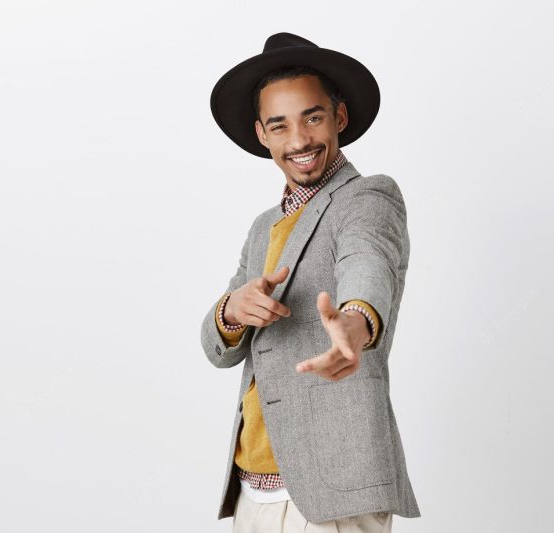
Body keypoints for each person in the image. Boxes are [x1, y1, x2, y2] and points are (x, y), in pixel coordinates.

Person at [200, 32, 421, 532]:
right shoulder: (263, 226)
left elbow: (368, 265)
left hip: (334, 489)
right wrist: (231, 310)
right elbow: (218, 348)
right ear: (262, 134)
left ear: (339, 118)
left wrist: (355, 323)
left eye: (313, 117)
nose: (299, 140)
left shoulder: (367, 198)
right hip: (253, 482)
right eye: (280, 125)